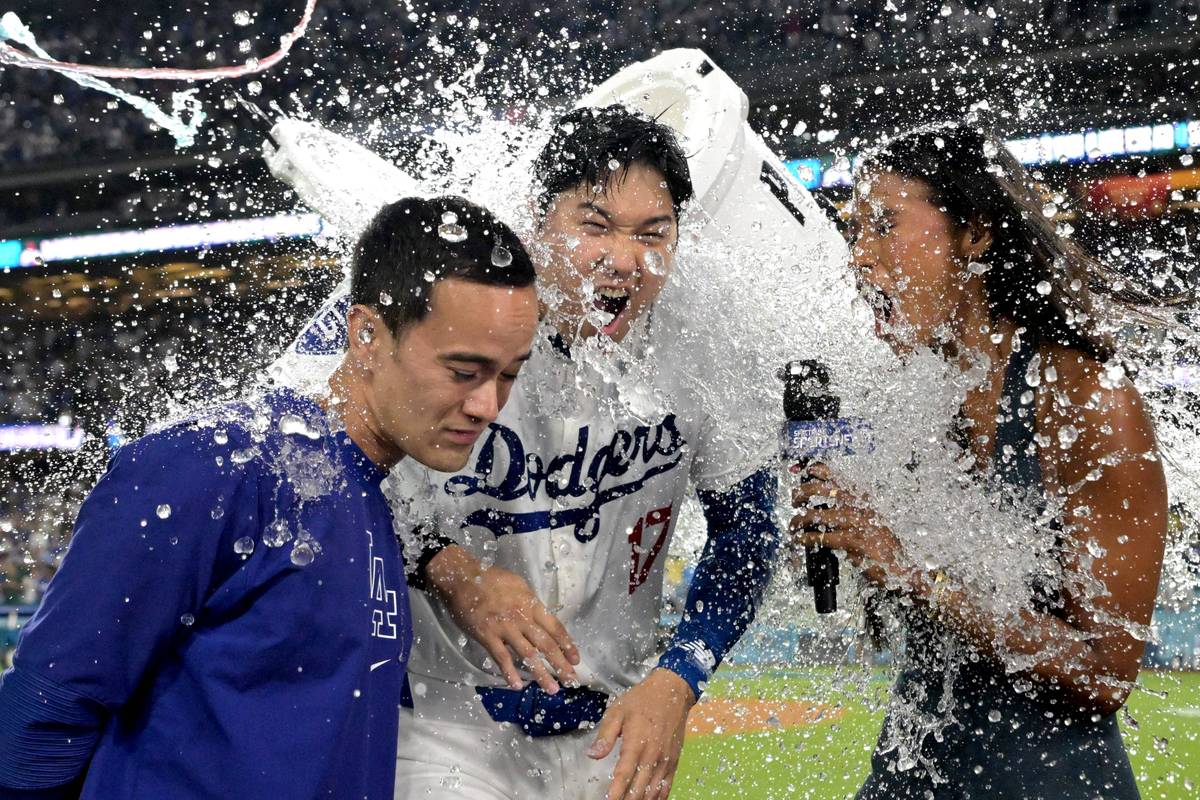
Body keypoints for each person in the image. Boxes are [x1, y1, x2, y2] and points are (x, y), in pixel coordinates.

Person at [0, 196, 540, 799]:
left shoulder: (376, 504)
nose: (487, 406)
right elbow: (44, 709)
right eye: (464, 371)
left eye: (509, 373)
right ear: (364, 334)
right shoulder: (212, 463)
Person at [389, 105, 782, 800]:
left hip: (612, 727)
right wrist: (451, 569)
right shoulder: (462, 319)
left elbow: (747, 534)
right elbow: (345, 473)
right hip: (447, 723)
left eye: (653, 233)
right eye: (594, 226)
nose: (625, 260)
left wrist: (680, 678)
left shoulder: (710, 347)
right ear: (538, 224)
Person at [790, 122, 1171, 798]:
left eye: (885, 226)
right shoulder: (917, 397)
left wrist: (912, 571)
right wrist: (840, 529)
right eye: (855, 233)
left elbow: (1107, 674)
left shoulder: (1088, 403)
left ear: (976, 234)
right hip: (914, 770)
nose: (859, 257)